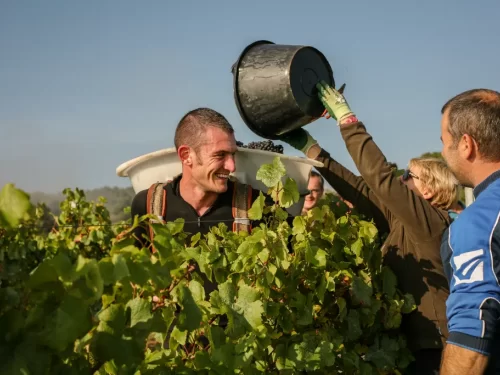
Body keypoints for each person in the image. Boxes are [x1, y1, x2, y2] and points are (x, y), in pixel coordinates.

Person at [278, 82, 458, 374]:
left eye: (408, 176)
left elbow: (380, 177)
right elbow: (360, 189)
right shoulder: (404, 223)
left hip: (434, 352)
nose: (401, 180)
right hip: (413, 346)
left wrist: (347, 120)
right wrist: (311, 149)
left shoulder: (430, 223)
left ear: (428, 190)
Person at [130, 107, 268, 296]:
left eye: (233, 155)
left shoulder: (254, 204)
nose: (232, 166)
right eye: (220, 155)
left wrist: (310, 147)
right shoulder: (147, 205)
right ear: (186, 156)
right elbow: (134, 281)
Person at [438, 89, 500, 374]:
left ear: (466, 145)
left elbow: (472, 332)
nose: (442, 152)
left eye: (444, 141)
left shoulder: (476, 224)